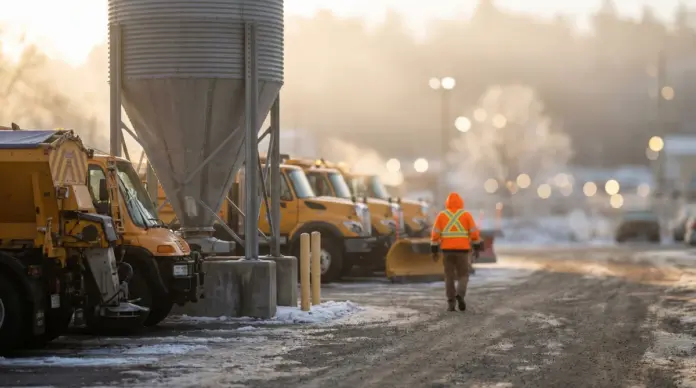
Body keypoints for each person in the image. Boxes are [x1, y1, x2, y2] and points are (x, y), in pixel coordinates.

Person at [430, 192, 483, 312]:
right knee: (463, 275)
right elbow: (474, 234)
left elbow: (435, 235)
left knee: (449, 276)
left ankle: (451, 304)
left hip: (447, 251)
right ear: (461, 202)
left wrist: (434, 251)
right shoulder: (466, 215)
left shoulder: (441, 215)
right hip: (463, 251)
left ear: (447, 203)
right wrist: (477, 248)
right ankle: (460, 293)